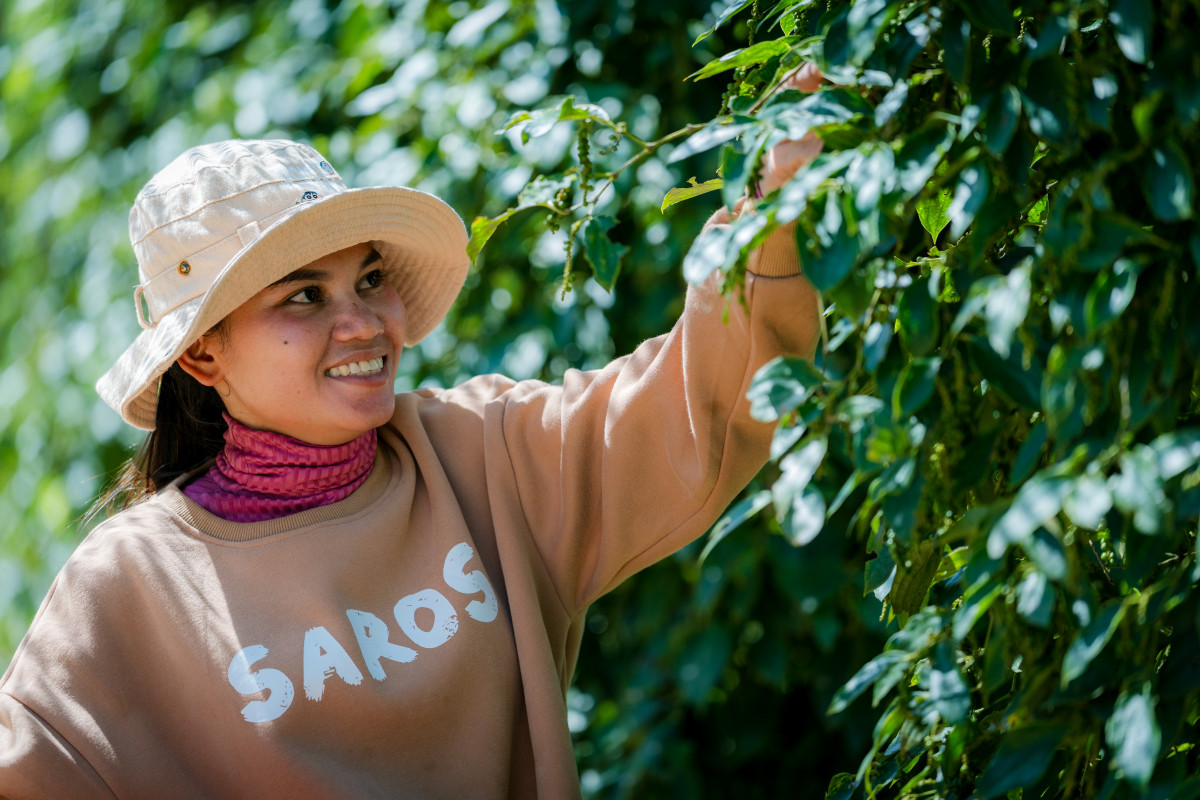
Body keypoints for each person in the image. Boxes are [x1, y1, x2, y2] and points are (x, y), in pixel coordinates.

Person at [0, 129, 820, 798]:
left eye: (369, 278)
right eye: (304, 295)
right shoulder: (129, 588)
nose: (362, 321)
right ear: (203, 355)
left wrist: (774, 208)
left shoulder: (484, 453)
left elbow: (698, 397)